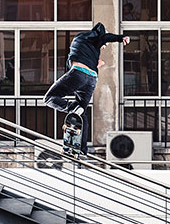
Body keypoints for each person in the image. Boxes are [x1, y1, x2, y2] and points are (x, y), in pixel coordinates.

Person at [44, 22, 130, 155]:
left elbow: (73, 59)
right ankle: (82, 148)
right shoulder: (92, 36)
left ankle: (72, 108)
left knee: (50, 98)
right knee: (81, 112)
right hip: (91, 80)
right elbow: (106, 37)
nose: (102, 47)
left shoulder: (83, 42)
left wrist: (95, 63)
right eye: (103, 45)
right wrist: (120, 37)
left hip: (79, 74)